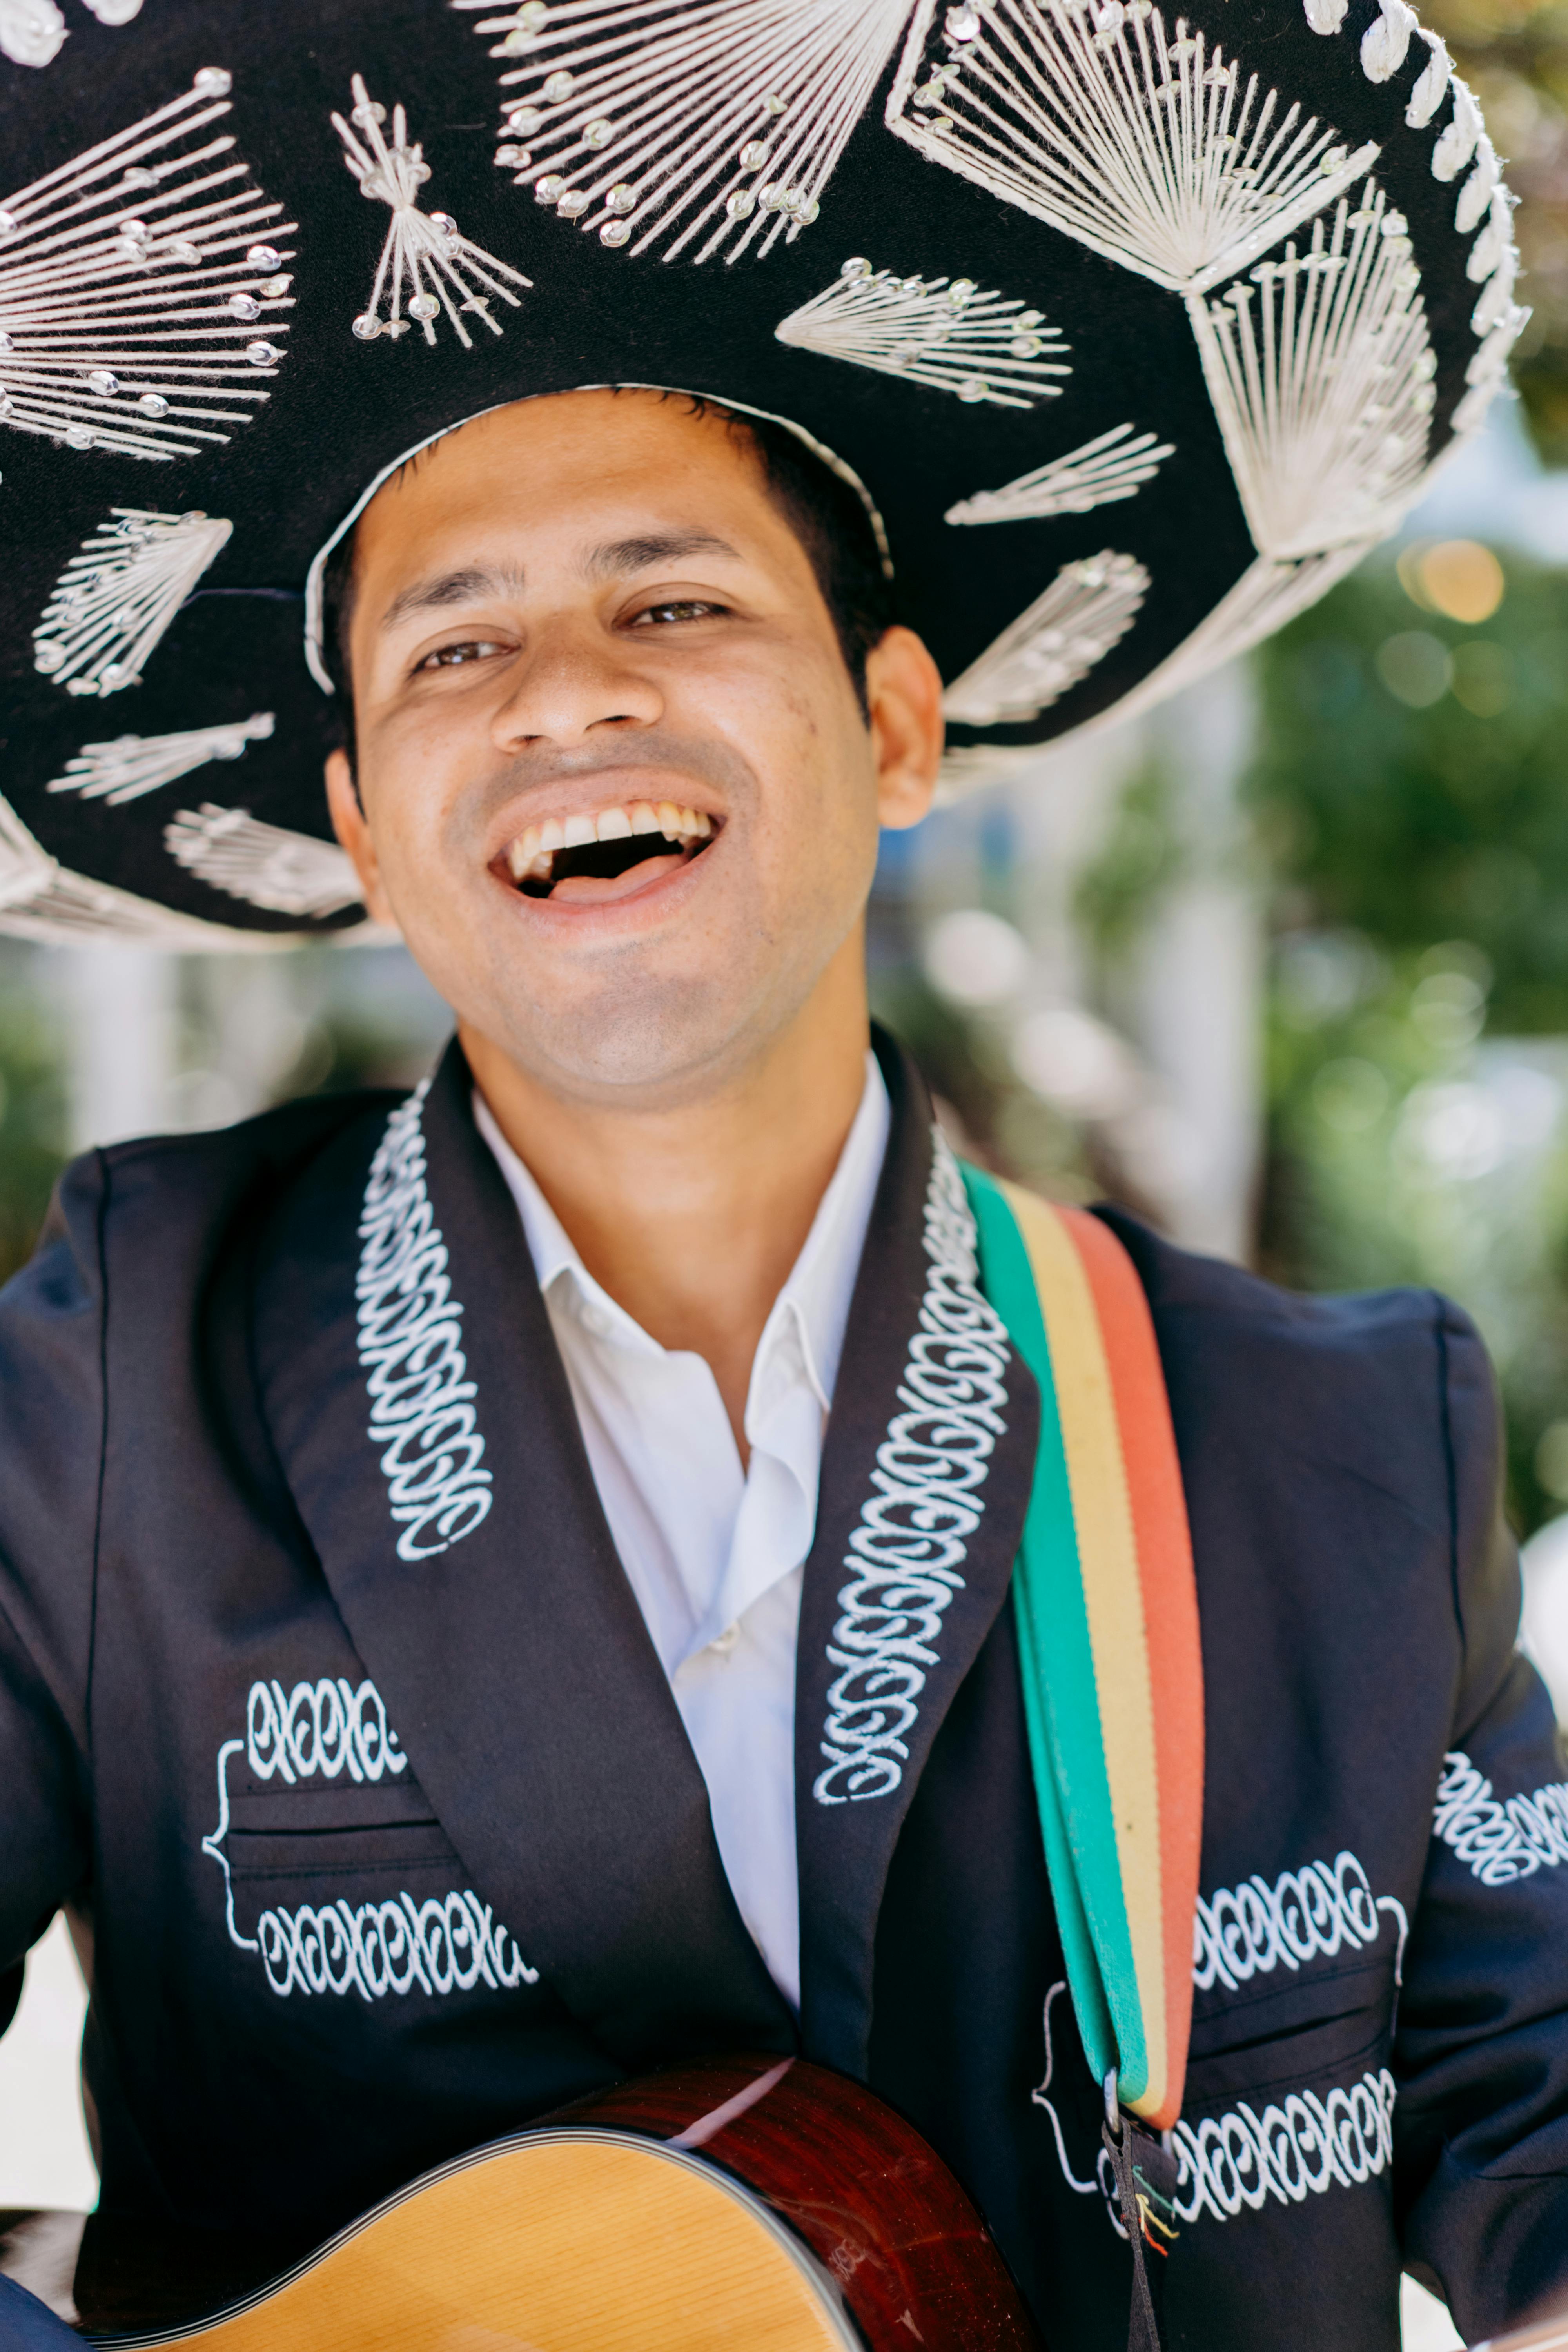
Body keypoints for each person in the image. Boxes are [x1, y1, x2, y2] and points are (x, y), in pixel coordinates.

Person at [0, 4, 1563, 2348]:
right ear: (360, 837)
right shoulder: (115, 1390)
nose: (564, 698)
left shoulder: (1326, 1451)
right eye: (456, 648)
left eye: (677, 604)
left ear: (899, 723)